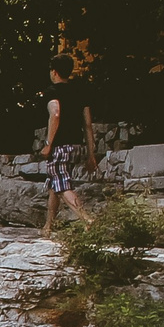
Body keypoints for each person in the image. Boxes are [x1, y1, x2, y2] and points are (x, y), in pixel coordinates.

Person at [40, 53, 97, 236]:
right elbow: (87, 124)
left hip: (60, 146)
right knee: (54, 185)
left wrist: (48, 143)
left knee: (62, 186)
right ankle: (49, 226)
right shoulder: (81, 93)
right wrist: (91, 154)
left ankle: (86, 218)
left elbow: (55, 114)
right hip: (77, 146)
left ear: (54, 72)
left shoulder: (52, 92)